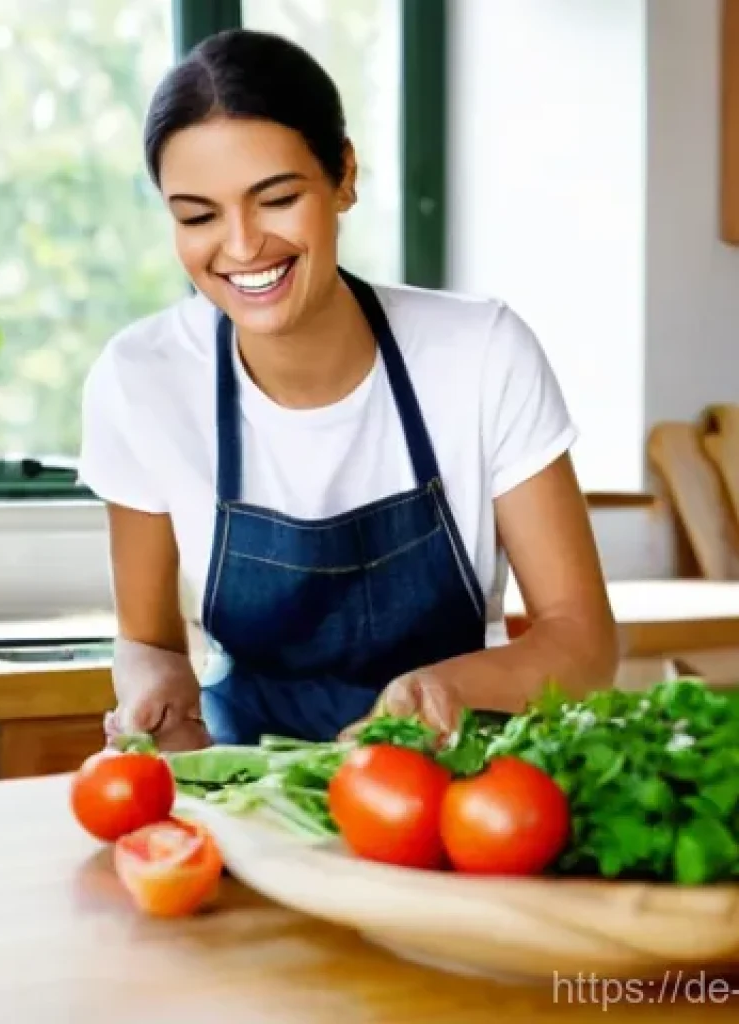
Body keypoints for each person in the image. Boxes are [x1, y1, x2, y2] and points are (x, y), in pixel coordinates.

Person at [77, 28, 618, 750]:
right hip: (252, 787)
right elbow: (149, 643)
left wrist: (441, 692)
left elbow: (583, 642)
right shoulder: (140, 379)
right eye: (197, 215)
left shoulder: (481, 354)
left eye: (275, 199)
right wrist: (157, 695)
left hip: (454, 787)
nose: (240, 246)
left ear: (344, 176)